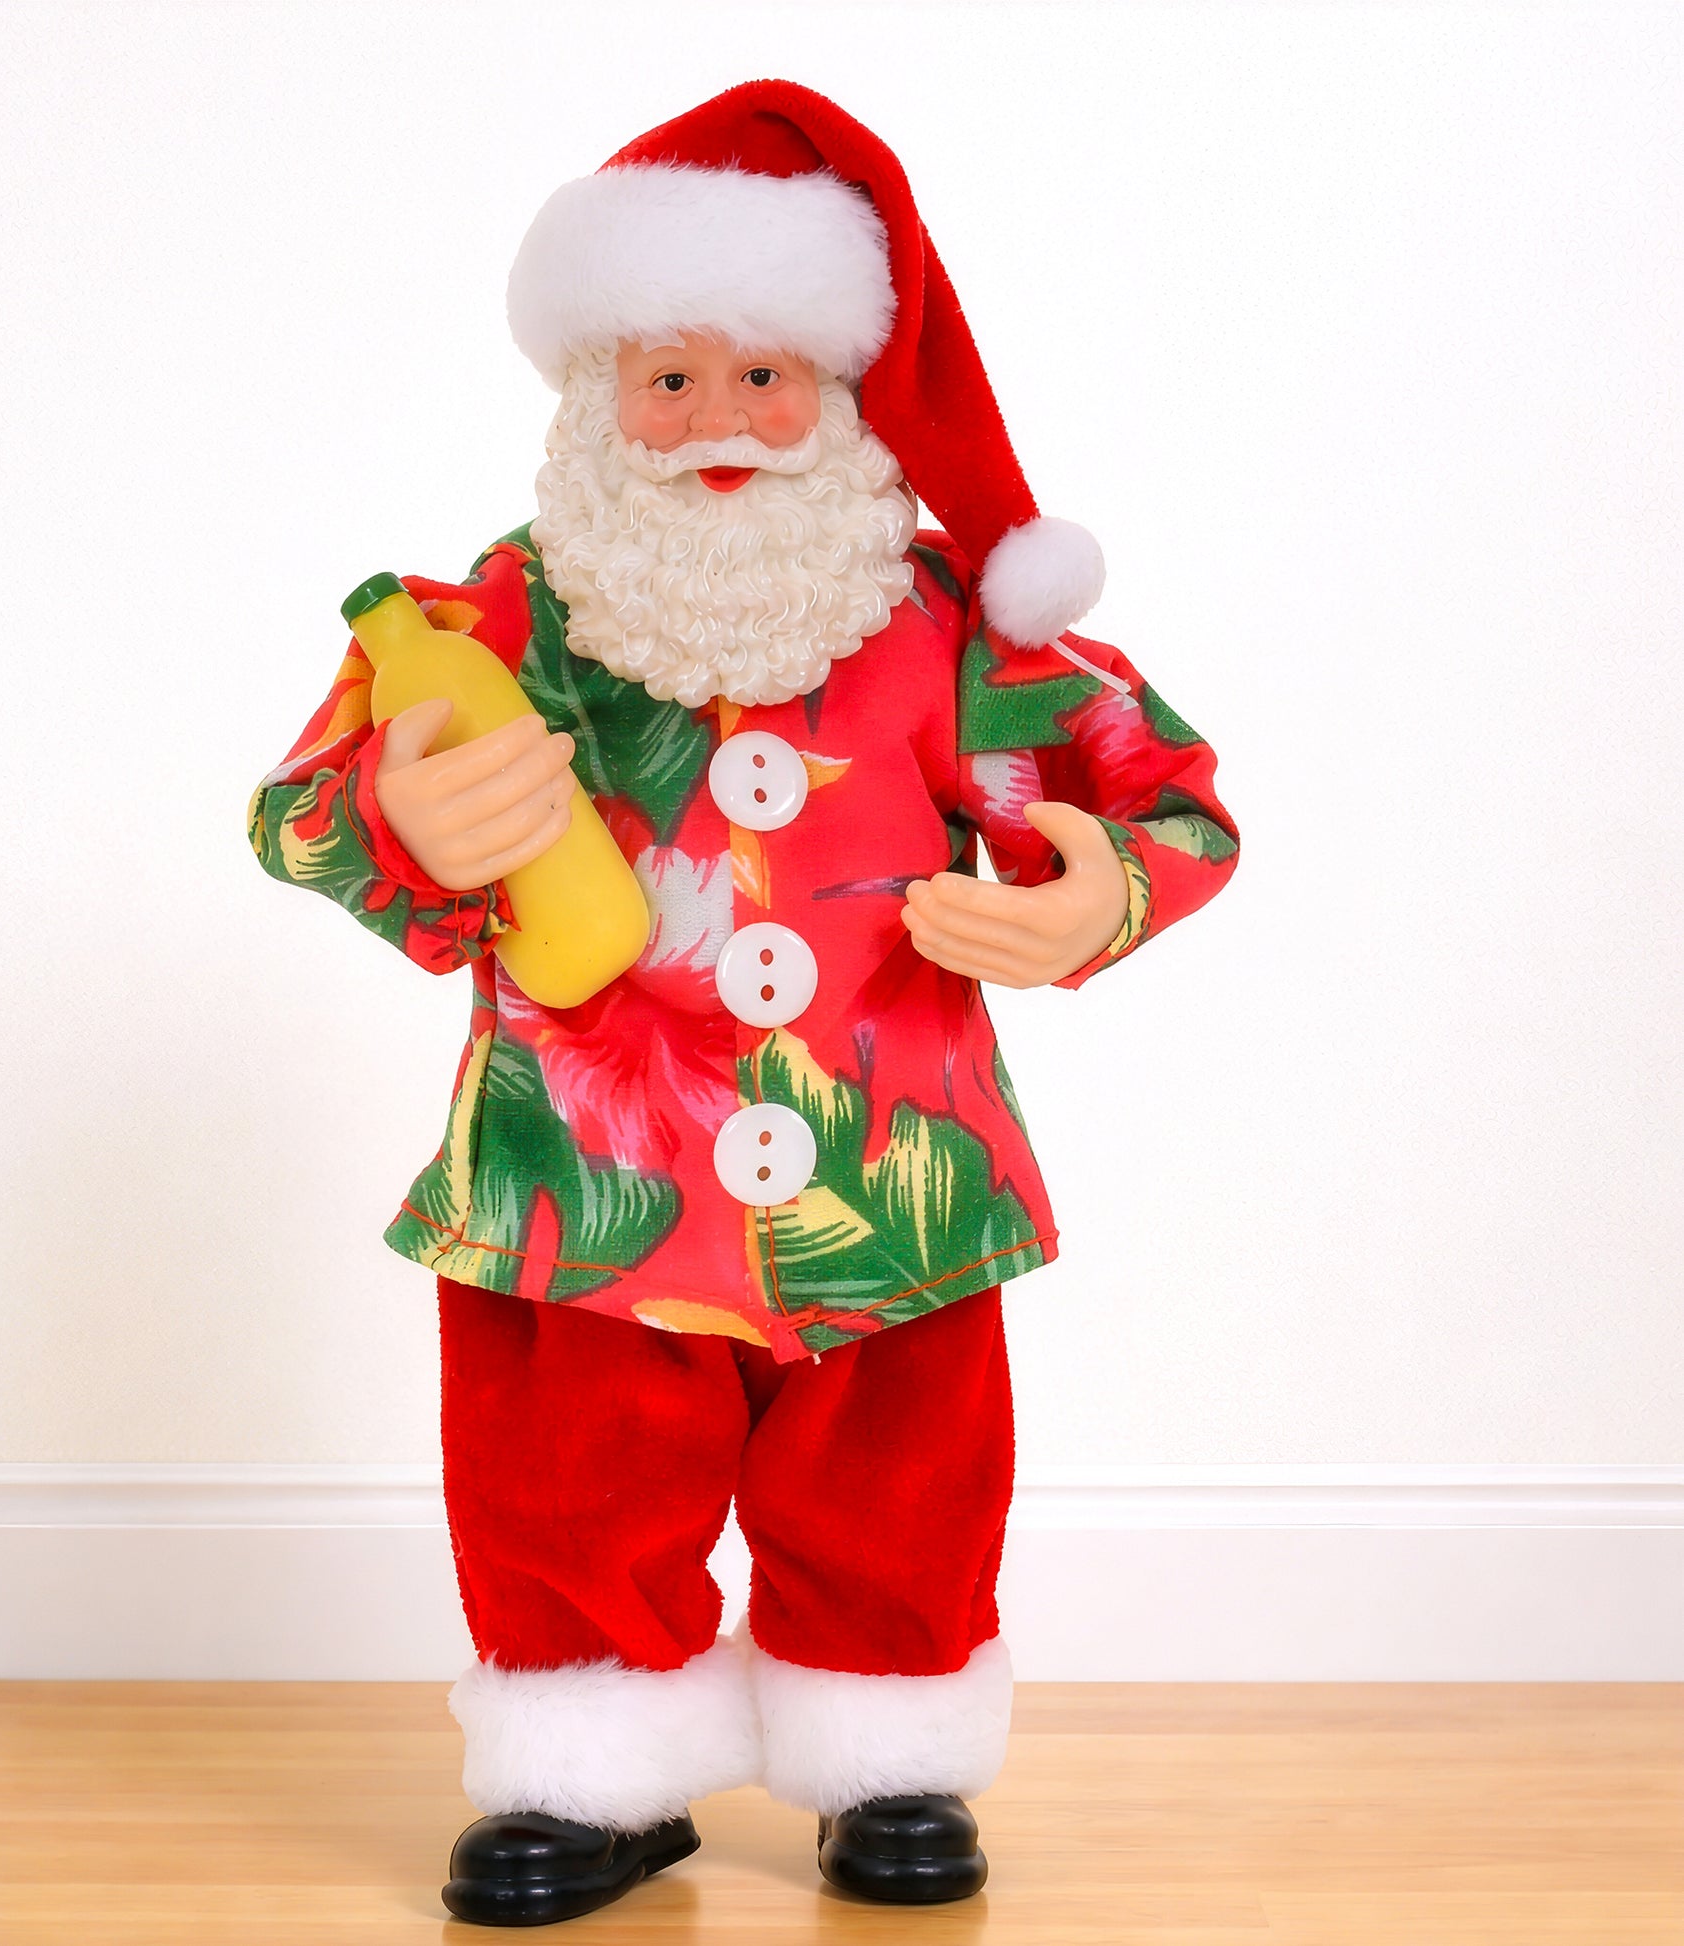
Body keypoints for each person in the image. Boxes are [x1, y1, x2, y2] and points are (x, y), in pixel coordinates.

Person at [250, 79, 1239, 1928]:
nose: (718, 424)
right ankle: (589, 1768)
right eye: (669, 379)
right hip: (584, 1177)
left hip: (897, 1168)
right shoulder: (498, 618)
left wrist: (1099, 887)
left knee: (905, 1477)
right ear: (593, 396)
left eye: (765, 379)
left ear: (843, 393)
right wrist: (391, 810)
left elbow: (1165, 793)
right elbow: (301, 813)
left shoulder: (949, 623)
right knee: (562, 1479)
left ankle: (890, 1753)